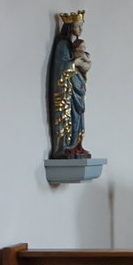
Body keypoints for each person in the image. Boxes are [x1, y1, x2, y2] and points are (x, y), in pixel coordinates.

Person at [48, 11, 92, 158]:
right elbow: (60, 69)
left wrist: (82, 64)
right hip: (66, 91)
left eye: (81, 27)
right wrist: (76, 63)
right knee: (68, 116)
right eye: (78, 27)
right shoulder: (62, 44)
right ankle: (65, 147)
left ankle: (76, 145)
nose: (80, 30)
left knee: (78, 116)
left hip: (76, 88)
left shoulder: (73, 45)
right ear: (69, 27)